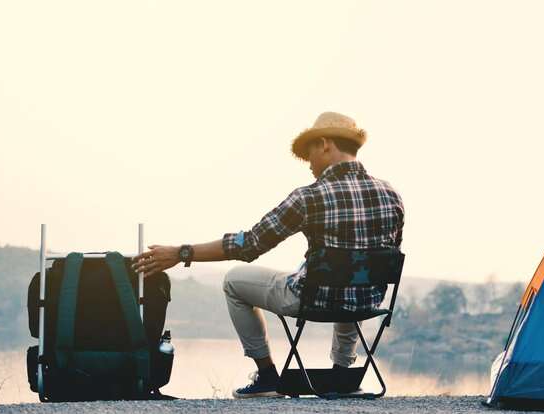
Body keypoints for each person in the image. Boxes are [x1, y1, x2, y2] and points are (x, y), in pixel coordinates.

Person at [131, 111, 405, 398]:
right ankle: (342, 375)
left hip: (313, 299)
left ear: (325, 144)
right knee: (353, 282)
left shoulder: (309, 197)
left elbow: (250, 245)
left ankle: (267, 378)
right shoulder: (391, 195)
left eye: (310, 152)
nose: (309, 164)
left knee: (234, 281)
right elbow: (385, 257)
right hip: (367, 301)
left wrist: (182, 252)